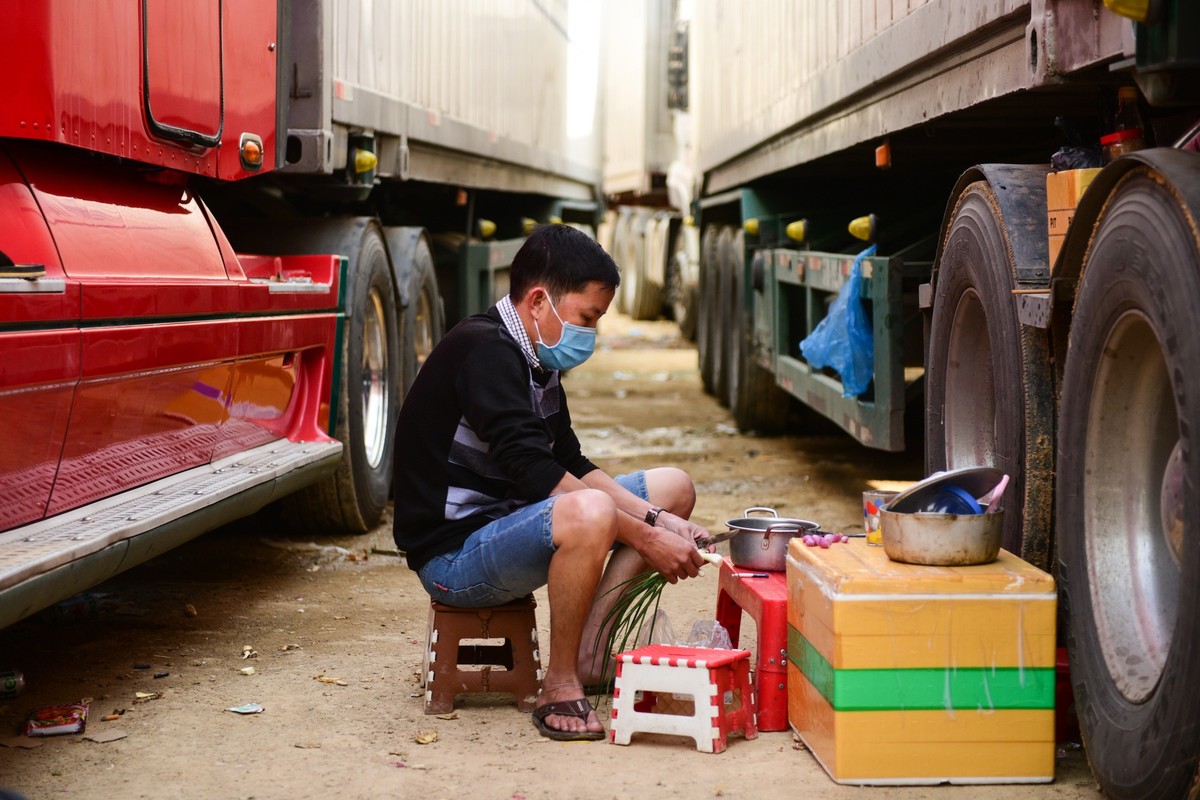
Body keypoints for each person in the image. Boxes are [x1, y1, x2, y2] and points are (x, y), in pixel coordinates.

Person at [392, 223, 711, 741]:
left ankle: (591, 650)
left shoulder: (535, 356)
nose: (592, 332)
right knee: (591, 511)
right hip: (454, 557)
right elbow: (538, 474)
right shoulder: (486, 351)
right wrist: (647, 537)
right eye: (588, 317)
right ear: (540, 301)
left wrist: (660, 517)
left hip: (512, 527)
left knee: (673, 486)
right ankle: (559, 684)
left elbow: (569, 460)